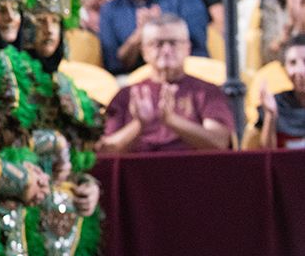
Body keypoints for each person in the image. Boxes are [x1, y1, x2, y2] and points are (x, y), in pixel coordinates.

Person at [98, 15, 234, 153]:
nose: (166, 50)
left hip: (193, 170)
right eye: (158, 44)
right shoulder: (127, 95)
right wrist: (139, 125)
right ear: (144, 51)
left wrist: (172, 121)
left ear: (188, 48)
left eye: (173, 43)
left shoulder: (206, 91)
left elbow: (220, 142)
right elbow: (105, 149)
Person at [258, 35, 305, 148]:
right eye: (292, 63)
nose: (300, 70)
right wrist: (270, 115)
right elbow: (268, 155)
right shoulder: (276, 103)